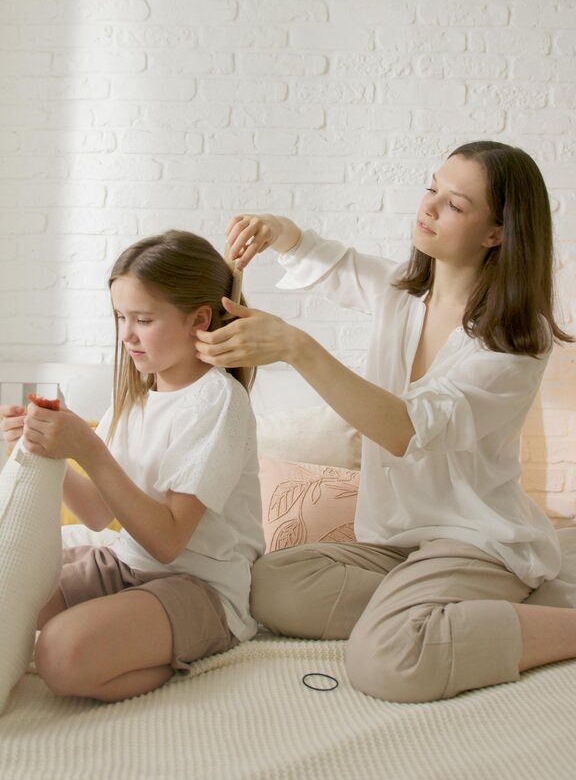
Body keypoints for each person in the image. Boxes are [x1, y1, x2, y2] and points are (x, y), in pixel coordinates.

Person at [195, 140, 576, 703]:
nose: (429, 207)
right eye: (431, 189)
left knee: (387, 662)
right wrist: (278, 230)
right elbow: (331, 261)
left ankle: (534, 615)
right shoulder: (400, 293)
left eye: (455, 204)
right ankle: (432, 603)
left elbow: (406, 430)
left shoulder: (516, 342)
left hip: (475, 541)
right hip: (394, 544)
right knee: (267, 584)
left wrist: (297, 348)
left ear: (496, 233)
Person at [1, 230, 264, 703]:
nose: (126, 335)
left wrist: (87, 449)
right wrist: (46, 449)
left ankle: (177, 655)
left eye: (143, 319)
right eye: (121, 317)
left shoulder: (218, 401)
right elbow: (98, 514)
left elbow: (168, 541)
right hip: (126, 566)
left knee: (60, 654)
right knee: (16, 598)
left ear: (198, 320)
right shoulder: (136, 398)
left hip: (201, 587)